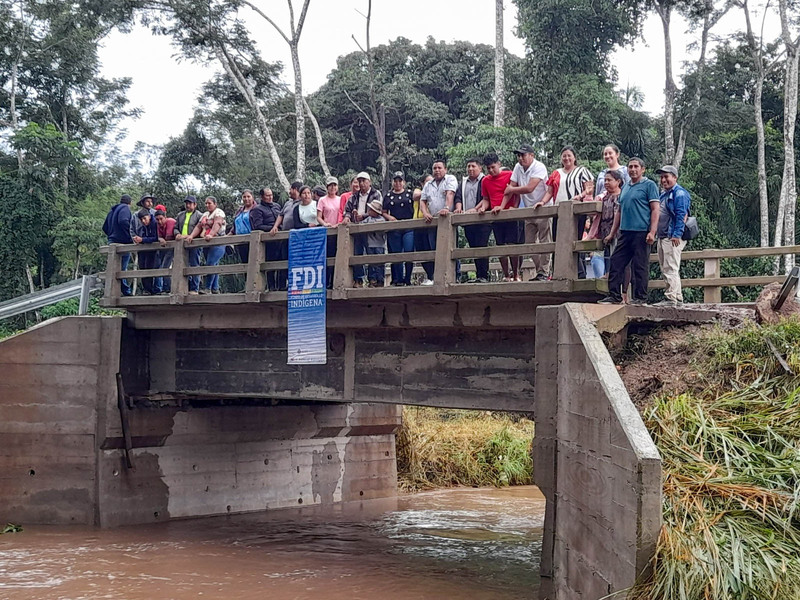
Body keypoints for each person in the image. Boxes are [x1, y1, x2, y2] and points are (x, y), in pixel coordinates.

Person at [598, 157, 660, 305]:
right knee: (616, 261)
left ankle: (640, 297)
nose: (632, 169)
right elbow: (619, 211)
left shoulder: (649, 185)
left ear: (642, 169)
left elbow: (655, 209)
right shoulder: (625, 187)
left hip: (641, 231)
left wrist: (652, 232)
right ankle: (614, 295)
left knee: (639, 265)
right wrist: (612, 233)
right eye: (630, 167)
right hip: (625, 232)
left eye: (636, 166)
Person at [536, 147, 594, 278]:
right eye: (564, 156)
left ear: (574, 157)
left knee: (575, 241)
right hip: (559, 212)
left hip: (577, 211)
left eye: (569, 155)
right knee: (558, 242)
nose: (566, 158)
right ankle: (559, 274)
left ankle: (579, 274)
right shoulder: (556, 173)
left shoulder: (582, 171)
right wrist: (542, 202)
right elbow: (550, 191)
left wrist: (580, 196)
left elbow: (589, 188)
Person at [505, 145, 548, 281]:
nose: (520, 158)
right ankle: (540, 270)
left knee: (545, 241)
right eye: (518, 155)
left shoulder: (539, 167)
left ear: (531, 155)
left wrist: (512, 189)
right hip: (529, 209)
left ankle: (544, 272)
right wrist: (507, 205)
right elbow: (511, 186)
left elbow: (529, 188)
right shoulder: (518, 167)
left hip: (544, 207)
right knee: (529, 243)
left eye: (523, 155)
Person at [480, 153, 521, 282]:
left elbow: (516, 194)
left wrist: (514, 207)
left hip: (509, 215)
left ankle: (516, 274)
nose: (491, 170)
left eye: (493, 167)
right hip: (495, 215)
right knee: (500, 245)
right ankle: (506, 275)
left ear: (499, 164)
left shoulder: (509, 175)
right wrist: (483, 208)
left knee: (512, 244)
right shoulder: (485, 181)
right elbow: (486, 199)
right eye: (488, 168)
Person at [653, 165, 690, 306]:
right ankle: (677, 297)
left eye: (666, 177)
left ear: (675, 177)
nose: (663, 180)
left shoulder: (679, 194)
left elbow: (682, 215)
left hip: (672, 236)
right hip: (663, 236)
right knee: (667, 267)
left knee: (670, 267)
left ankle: (671, 298)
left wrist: (677, 234)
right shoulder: (665, 194)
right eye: (662, 177)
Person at [419, 160, 457, 285]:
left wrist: (446, 208)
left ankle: (455, 277)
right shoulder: (428, 184)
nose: (437, 170)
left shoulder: (450, 179)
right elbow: (423, 200)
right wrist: (425, 213)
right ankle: (436, 278)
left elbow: (450, 193)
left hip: (447, 220)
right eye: (434, 168)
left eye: (439, 168)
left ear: (445, 169)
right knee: (434, 248)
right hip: (433, 221)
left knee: (450, 248)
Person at [342, 172, 383, 287]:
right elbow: (347, 210)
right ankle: (358, 279)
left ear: (369, 182)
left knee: (372, 252)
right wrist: (347, 217)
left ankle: (373, 279)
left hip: (371, 228)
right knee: (357, 253)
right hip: (357, 228)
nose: (361, 183)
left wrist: (363, 216)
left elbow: (377, 209)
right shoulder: (354, 196)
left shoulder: (376, 194)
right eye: (359, 181)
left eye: (364, 181)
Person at [454, 159, 490, 283]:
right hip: (468, 221)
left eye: (473, 166)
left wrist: (475, 209)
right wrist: (458, 208)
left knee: (481, 246)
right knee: (473, 247)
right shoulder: (464, 182)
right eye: (468, 166)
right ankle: (479, 275)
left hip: (482, 220)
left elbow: (486, 197)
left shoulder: (485, 180)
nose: (470, 169)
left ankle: (484, 275)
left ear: (480, 168)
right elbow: (458, 197)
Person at [186, 196, 227, 294]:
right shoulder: (205, 215)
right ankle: (215, 288)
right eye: (206, 203)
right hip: (207, 243)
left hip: (218, 242)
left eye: (209, 203)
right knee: (214, 264)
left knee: (210, 263)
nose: (207, 205)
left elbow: (218, 223)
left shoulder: (219, 212)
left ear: (215, 204)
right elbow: (198, 226)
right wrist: (191, 236)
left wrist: (211, 234)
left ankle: (207, 288)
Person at [588, 170, 624, 277]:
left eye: (609, 180)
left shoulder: (621, 196)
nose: (606, 182)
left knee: (617, 261)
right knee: (606, 260)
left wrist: (612, 233)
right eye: (605, 180)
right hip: (605, 236)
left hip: (618, 234)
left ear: (618, 181)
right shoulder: (604, 198)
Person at [383, 171, 415, 286]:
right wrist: (389, 217)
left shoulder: (410, 194)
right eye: (395, 181)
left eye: (400, 181)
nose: (397, 183)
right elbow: (383, 211)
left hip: (408, 227)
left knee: (409, 251)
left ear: (404, 182)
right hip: (394, 228)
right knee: (396, 254)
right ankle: (399, 279)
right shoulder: (388, 196)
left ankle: (408, 278)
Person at [250, 187, 282, 291]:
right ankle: (271, 286)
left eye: (271, 195)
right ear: (262, 197)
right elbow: (258, 226)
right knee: (269, 263)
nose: (270, 197)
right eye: (268, 195)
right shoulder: (257, 209)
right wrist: (272, 228)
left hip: (280, 239)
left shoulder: (277, 206)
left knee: (281, 262)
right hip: (268, 241)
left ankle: (281, 286)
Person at [273, 181, 303, 290]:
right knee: (283, 259)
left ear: (295, 189)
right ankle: (281, 286)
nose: (289, 191)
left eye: (291, 189)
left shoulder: (303, 203)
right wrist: (275, 226)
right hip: (285, 237)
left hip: (297, 237)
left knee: (295, 260)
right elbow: (281, 215)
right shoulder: (287, 203)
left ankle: (295, 284)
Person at [102, 194, 133, 296]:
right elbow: (123, 221)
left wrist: (111, 234)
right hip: (123, 241)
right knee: (122, 268)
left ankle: (114, 291)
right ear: (130, 203)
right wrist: (130, 235)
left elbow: (104, 227)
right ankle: (126, 291)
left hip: (112, 241)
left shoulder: (112, 211)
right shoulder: (125, 208)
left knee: (114, 267)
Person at [174, 196, 203, 295]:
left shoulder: (199, 215)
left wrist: (189, 236)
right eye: (186, 203)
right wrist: (177, 234)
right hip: (182, 245)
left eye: (190, 203)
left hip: (194, 244)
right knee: (182, 265)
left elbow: (201, 229)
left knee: (194, 264)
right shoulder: (180, 215)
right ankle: (183, 288)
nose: (188, 205)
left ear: (195, 205)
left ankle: (194, 288)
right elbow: (175, 227)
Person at [131, 208, 159, 294]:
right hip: (144, 248)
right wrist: (138, 240)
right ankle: (146, 289)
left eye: (144, 218)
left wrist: (142, 239)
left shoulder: (155, 223)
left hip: (153, 249)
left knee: (151, 268)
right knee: (142, 266)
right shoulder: (143, 225)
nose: (143, 221)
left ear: (149, 216)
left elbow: (156, 238)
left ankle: (152, 289)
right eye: (141, 219)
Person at [362, 199, 387, 287]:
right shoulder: (368, 219)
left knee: (380, 262)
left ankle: (380, 279)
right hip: (370, 244)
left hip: (380, 244)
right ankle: (372, 280)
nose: (369, 211)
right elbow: (361, 225)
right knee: (371, 262)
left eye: (371, 209)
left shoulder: (382, 220)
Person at [154, 209, 176, 293]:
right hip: (165, 248)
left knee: (165, 268)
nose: (159, 221)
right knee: (163, 267)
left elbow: (168, 236)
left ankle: (171, 288)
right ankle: (167, 288)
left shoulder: (170, 222)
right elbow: (158, 236)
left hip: (173, 247)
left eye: (161, 219)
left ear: (165, 217)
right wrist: (159, 238)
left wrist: (161, 238)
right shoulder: (158, 225)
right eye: (157, 219)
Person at [232, 189, 256, 262]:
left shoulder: (256, 209)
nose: (246, 199)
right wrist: (229, 234)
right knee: (244, 262)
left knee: (253, 261)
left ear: (252, 197)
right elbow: (235, 226)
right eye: (244, 197)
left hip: (253, 240)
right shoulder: (239, 210)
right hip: (240, 241)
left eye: (248, 196)